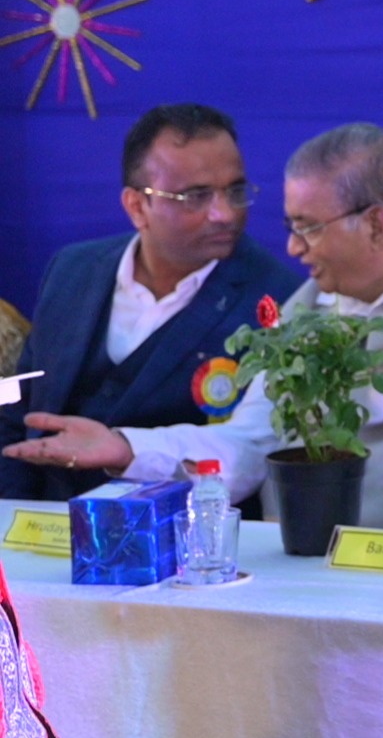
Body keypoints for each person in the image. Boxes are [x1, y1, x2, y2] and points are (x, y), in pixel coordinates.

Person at [4, 123, 383, 532]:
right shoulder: (306, 307)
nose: (292, 248)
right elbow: (249, 444)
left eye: (308, 227)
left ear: (377, 223)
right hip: (303, 572)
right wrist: (127, 448)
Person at [0, 104, 299, 501]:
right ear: (137, 206)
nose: (225, 214)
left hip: (181, 528)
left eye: (235, 191)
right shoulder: (72, 270)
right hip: (45, 522)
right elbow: (16, 411)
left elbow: (254, 452)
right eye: (196, 196)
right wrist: (14, 515)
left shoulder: (278, 300)